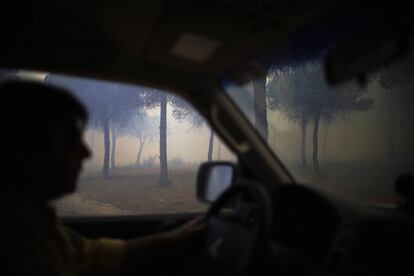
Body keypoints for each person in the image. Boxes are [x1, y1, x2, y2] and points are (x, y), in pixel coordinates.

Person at [0, 80, 206, 275]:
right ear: (26, 152)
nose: (86, 153)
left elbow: (91, 255)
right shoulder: (16, 250)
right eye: (70, 142)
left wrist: (176, 239)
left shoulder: (37, 222)